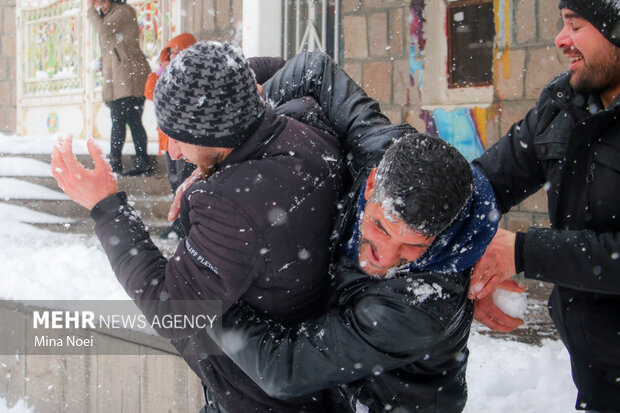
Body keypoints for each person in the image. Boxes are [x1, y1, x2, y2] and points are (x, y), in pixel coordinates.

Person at [176, 51, 497, 412]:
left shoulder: (419, 304)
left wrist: (202, 302)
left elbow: (285, 369)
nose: (385, 258)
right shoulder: (381, 151)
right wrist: (234, 136)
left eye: (412, 247)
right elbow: (314, 69)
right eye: (379, 226)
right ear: (373, 181)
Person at [51, 41, 343, 412]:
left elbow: (172, 308)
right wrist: (220, 170)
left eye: (177, 136)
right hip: (300, 381)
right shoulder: (303, 130)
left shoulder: (235, 205)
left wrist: (105, 206)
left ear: (217, 134)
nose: (172, 151)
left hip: (259, 398)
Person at [469, 1, 620, 411]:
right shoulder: (564, 105)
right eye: (561, 23)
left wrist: (522, 252)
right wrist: (473, 263)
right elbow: (483, 183)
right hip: (596, 366)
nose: (560, 39)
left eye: (576, 24)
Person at [87, 0, 151, 176]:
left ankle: (118, 164)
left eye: (103, 2)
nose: (101, 6)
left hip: (129, 75)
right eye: (98, 3)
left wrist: (90, 10)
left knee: (125, 120)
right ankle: (135, 162)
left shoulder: (123, 12)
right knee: (125, 120)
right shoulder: (107, 16)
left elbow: (104, 29)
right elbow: (111, 48)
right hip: (119, 77)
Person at [144, 32, 197, 238]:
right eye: (171, 52)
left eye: (179, 51)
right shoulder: (166, 74)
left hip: (185, 140)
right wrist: (160, 69)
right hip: (168, 140)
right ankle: (179, 226)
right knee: (175, 182)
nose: (174, 56)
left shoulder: (190, 74)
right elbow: (150, 92)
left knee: (185, 184)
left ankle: (186, 226)